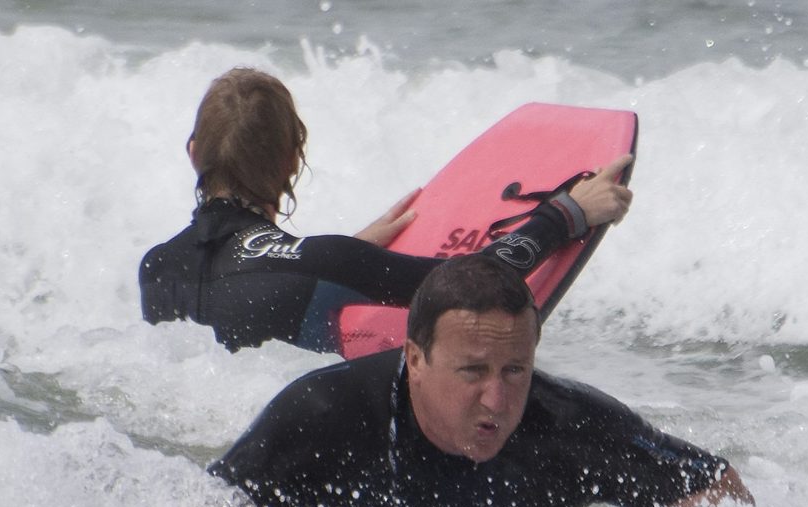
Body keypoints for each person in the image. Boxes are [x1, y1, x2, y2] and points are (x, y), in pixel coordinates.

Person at [209, 254, 754, 507]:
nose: (497, 399)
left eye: (515, 370)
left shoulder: (569, 424)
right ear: (415, 359)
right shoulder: (326, 413)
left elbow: (727, 497)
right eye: (472, 372)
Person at [139, 68, 633, 354]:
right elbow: (475, 282)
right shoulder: (324, 264)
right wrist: (566, 213)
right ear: (294, 158)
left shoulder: (156, 269)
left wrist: (343, 254)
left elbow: (243, 288)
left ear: (193, 153)